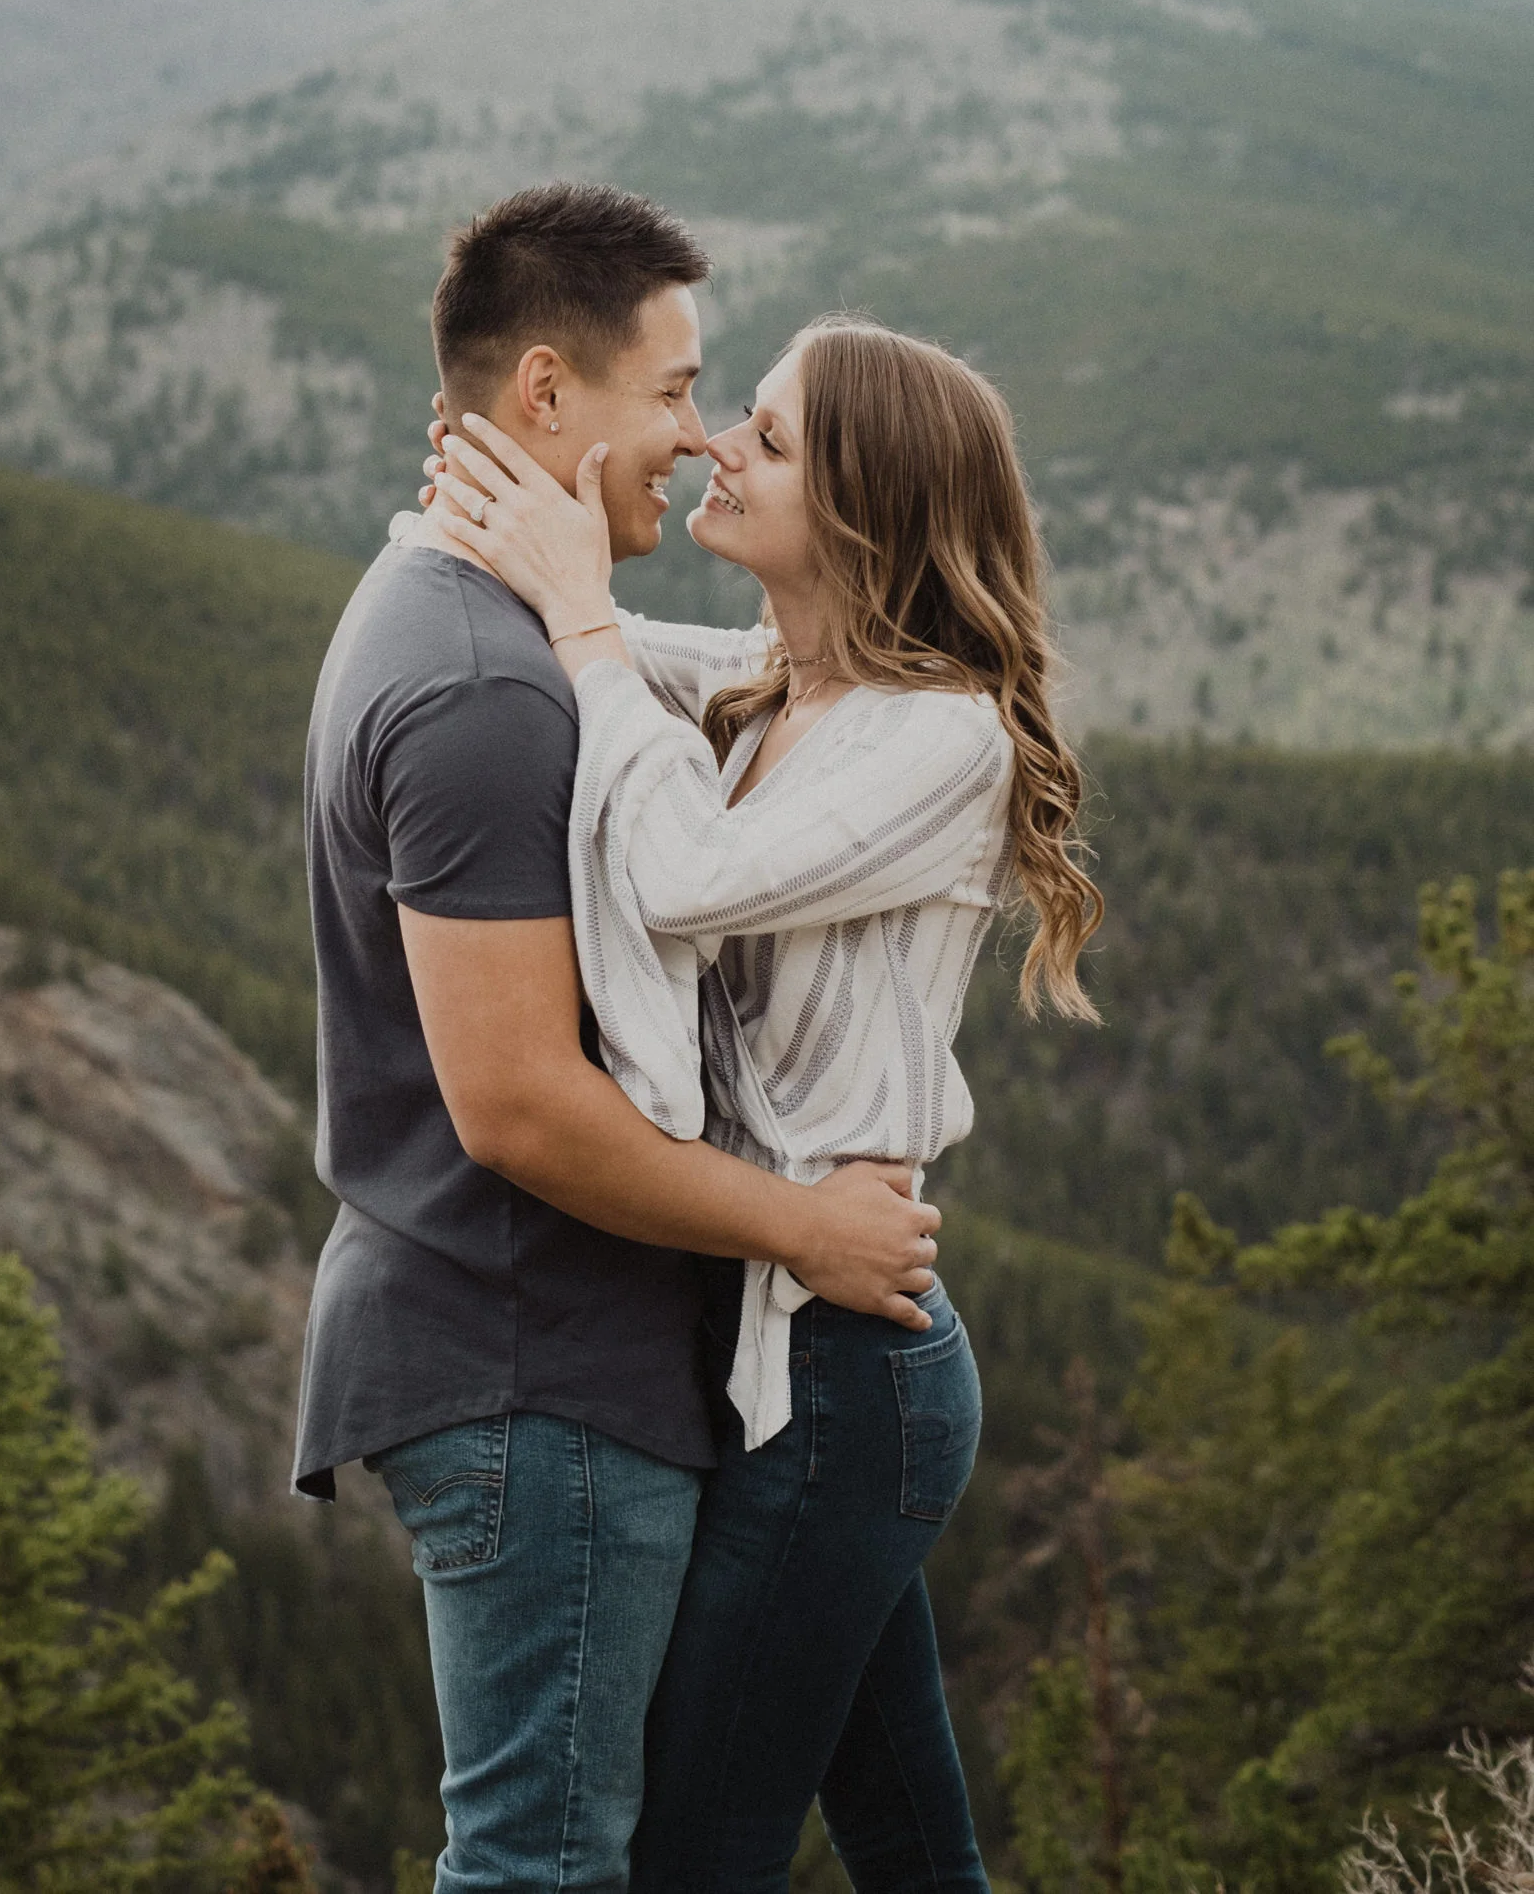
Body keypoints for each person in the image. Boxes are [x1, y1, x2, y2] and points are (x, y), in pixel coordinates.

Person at [291, 184, 943, 1894]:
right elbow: (515, 1106)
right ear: (544, 396)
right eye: (673, 392)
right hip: (534, 1359)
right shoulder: (490, 687)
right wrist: (808, 1225)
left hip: (547, 1351)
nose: (696, 437)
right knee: (548, 1865)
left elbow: (731, 668)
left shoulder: (458, 618)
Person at [431, 309, 1102, 1893]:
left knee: (690, 1856)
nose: (721, 443)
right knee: (910, 1843)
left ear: (866, 514)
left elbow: (683, 874)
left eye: (773, 437)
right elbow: (555, 627)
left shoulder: (941, 740)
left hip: (845, 1375)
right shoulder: (773, 683)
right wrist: (491, 511)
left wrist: (588, 618)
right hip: (790, 1338)